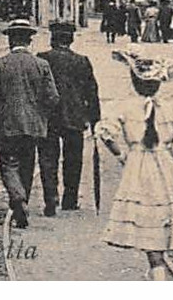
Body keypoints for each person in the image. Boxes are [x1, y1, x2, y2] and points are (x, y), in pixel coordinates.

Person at [97, 46, 173, 280]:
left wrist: (121, 155)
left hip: (137, 167)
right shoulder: (172, 108)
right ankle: (157, 268)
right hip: (164, 166)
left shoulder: (122, 106)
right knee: (161, 216)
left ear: (133, 82)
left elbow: (106, 133)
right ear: (159, 84)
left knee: (145, 218)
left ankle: (156, 271)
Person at [0, 19, 62, 228]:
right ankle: (21, 200)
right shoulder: (41, 64)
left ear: (10, 40)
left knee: (8, 164)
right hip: (34, 126)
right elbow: (52, 97)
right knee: (27, 163)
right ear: (29, 40)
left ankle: (17, 198)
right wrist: (40, 115)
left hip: (7, 126)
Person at [38, 21, 102, 213]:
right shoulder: (82, 61)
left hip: (48, 117)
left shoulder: (42, 59)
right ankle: (70, 199)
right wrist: (95, 120)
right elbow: (92, 92)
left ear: (52, 39)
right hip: (75, 117)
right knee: (73, 160)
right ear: (71, 39)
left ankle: (50, 199)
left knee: (48, 159)